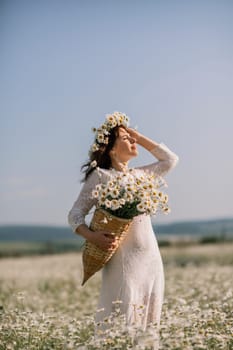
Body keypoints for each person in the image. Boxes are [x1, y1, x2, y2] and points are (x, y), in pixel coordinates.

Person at [68, 111, 179, 347]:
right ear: (110, 148)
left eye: (132, 136)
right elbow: (75, 214)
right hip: (123, 260)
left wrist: (139, 136)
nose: (132, 140)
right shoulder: (100, 176)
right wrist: (93, 236)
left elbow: (170, 160)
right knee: (122, 321)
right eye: (125, 137)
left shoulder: (142, 175)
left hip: (151, 258)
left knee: (150, 324)